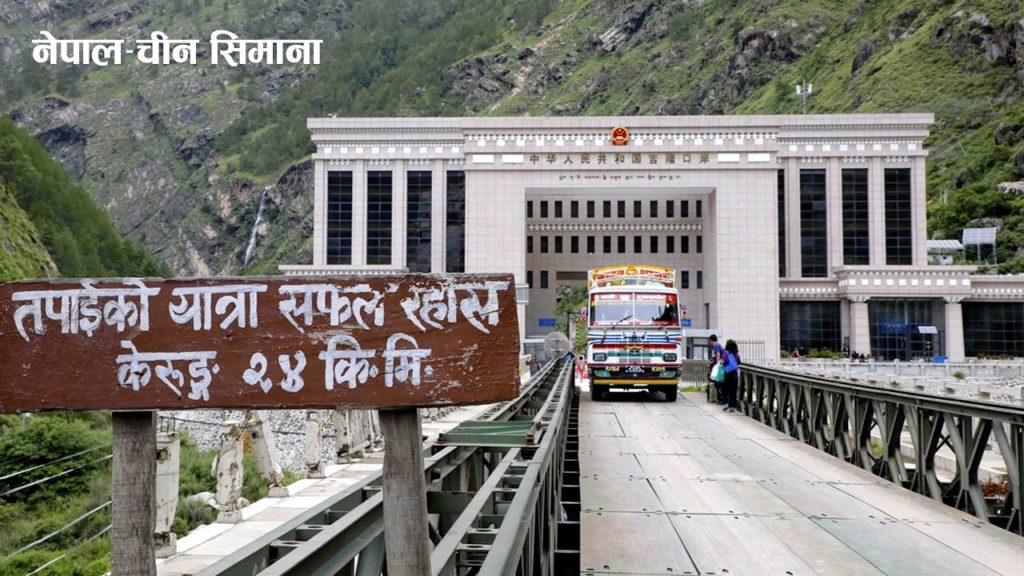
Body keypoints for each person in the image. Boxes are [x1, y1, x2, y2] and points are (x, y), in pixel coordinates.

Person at [720, 339, 741, 412]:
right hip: (734, 374)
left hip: (727, 373)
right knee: (733, 390)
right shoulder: (736, 354)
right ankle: (732, 406)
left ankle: (726, 404)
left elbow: (725, 361)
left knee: (725, 389)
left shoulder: (726, 353)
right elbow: (739, 362)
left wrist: (721, 362)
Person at [708, 335, 725, 404]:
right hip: (721, 366)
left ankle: (720, 399)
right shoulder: (718, 345)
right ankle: (720, 398)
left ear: (711, 340)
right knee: (718, 382)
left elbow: (718, 354)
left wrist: (717, 365)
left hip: (719, 367)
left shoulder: (715, 346)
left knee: (718, 383)